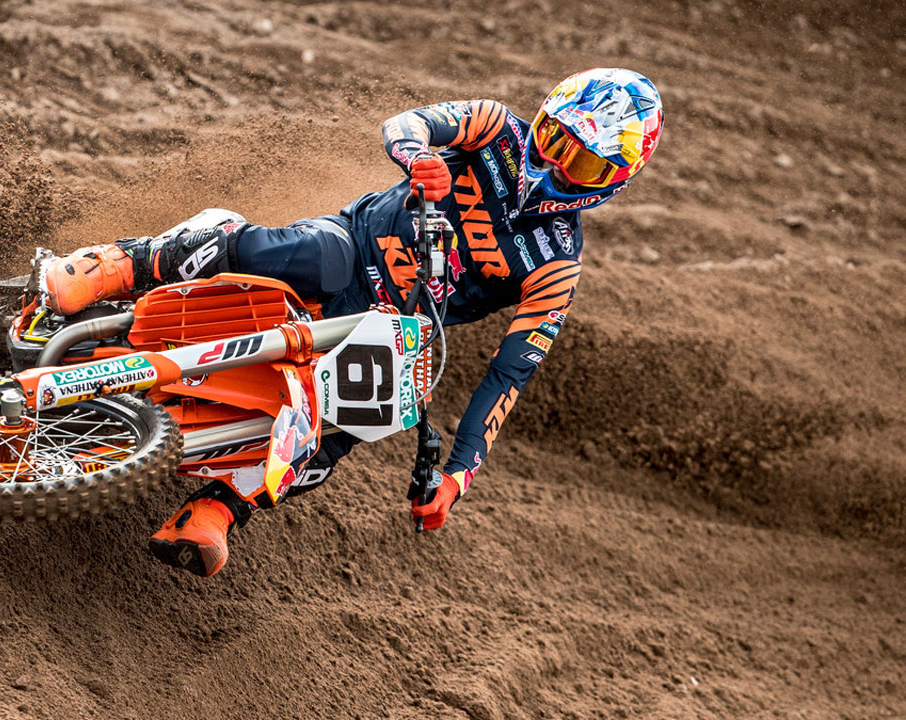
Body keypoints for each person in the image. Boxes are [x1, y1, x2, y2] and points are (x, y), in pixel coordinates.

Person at [42, 68, 663, 576]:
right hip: (356, 246)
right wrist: (417, 156)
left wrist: (457, 473)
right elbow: (406, 122)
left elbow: (507, 377)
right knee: (317, 253)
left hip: (399, 324)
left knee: (378, 406)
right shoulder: (497, 126)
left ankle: (217, 508)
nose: (554, 169)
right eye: (556, 141)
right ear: (544, 118)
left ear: (612, 182)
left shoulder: (558, 263)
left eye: (581, 166)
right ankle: (121, 264)